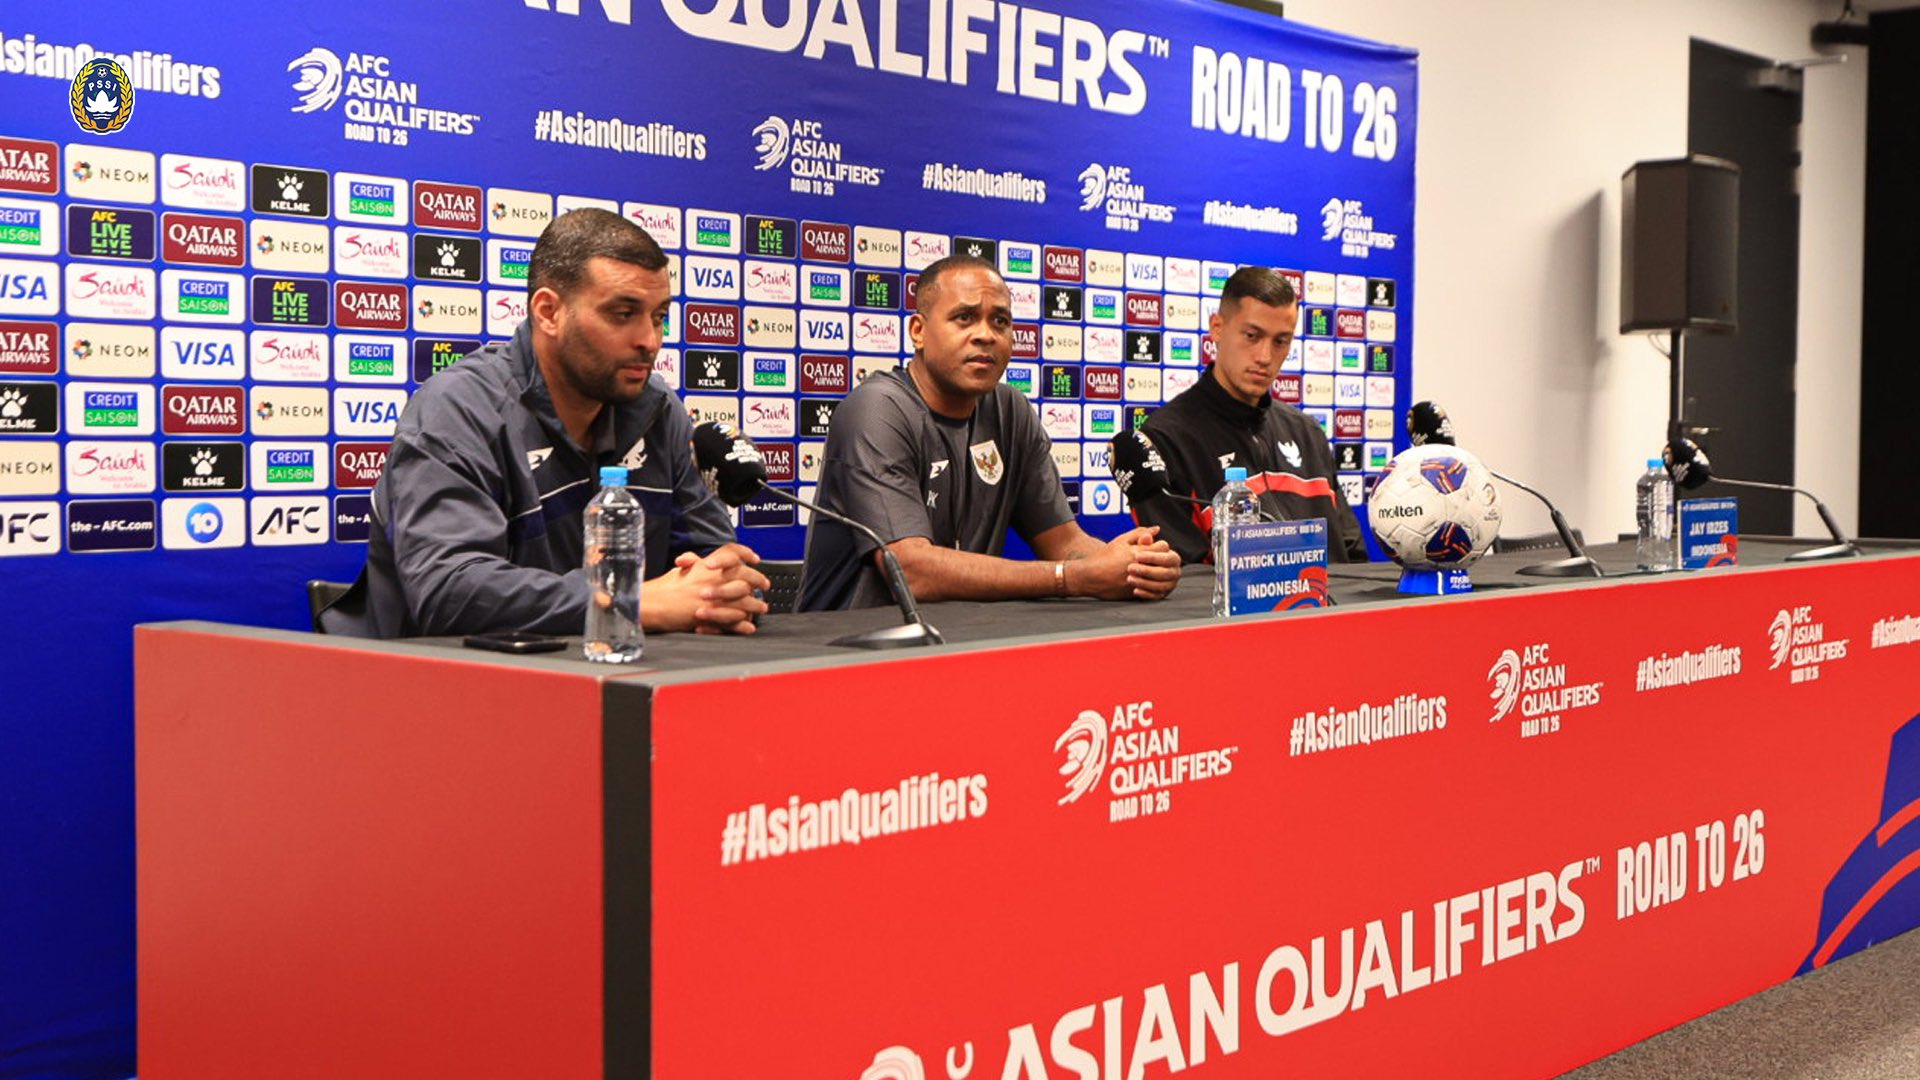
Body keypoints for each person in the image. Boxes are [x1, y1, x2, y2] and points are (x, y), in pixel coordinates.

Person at [329, 208, 767, 637]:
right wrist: (626, 601)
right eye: (622, 313)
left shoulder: (656, 408)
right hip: (430, 691)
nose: (649, 341)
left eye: (658, 317)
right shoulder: (459, 409)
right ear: (548, 312)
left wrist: (720, 587)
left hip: (605, 678)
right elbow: (450, 592)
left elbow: (709, 563)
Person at [797, 254, 1182, 611]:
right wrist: (1074, 577)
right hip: (850, 653)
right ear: (918, 330)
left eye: (1000, 321)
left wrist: (1130, 566)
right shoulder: (877, 409)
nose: (986, 334)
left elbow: (1064, 543)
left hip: (958, 644)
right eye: (964, 318)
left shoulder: (1009, 410)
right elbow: (912, 571)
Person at [1135, 265, 1368, 563]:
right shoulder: (1166, 437)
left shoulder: (1306, 432)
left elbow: (1352, 558)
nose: (1265, 357)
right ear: (1217, 328)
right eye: (1252, 335)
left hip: (1326, 607)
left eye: (1280, 341)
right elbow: (1182, 580)